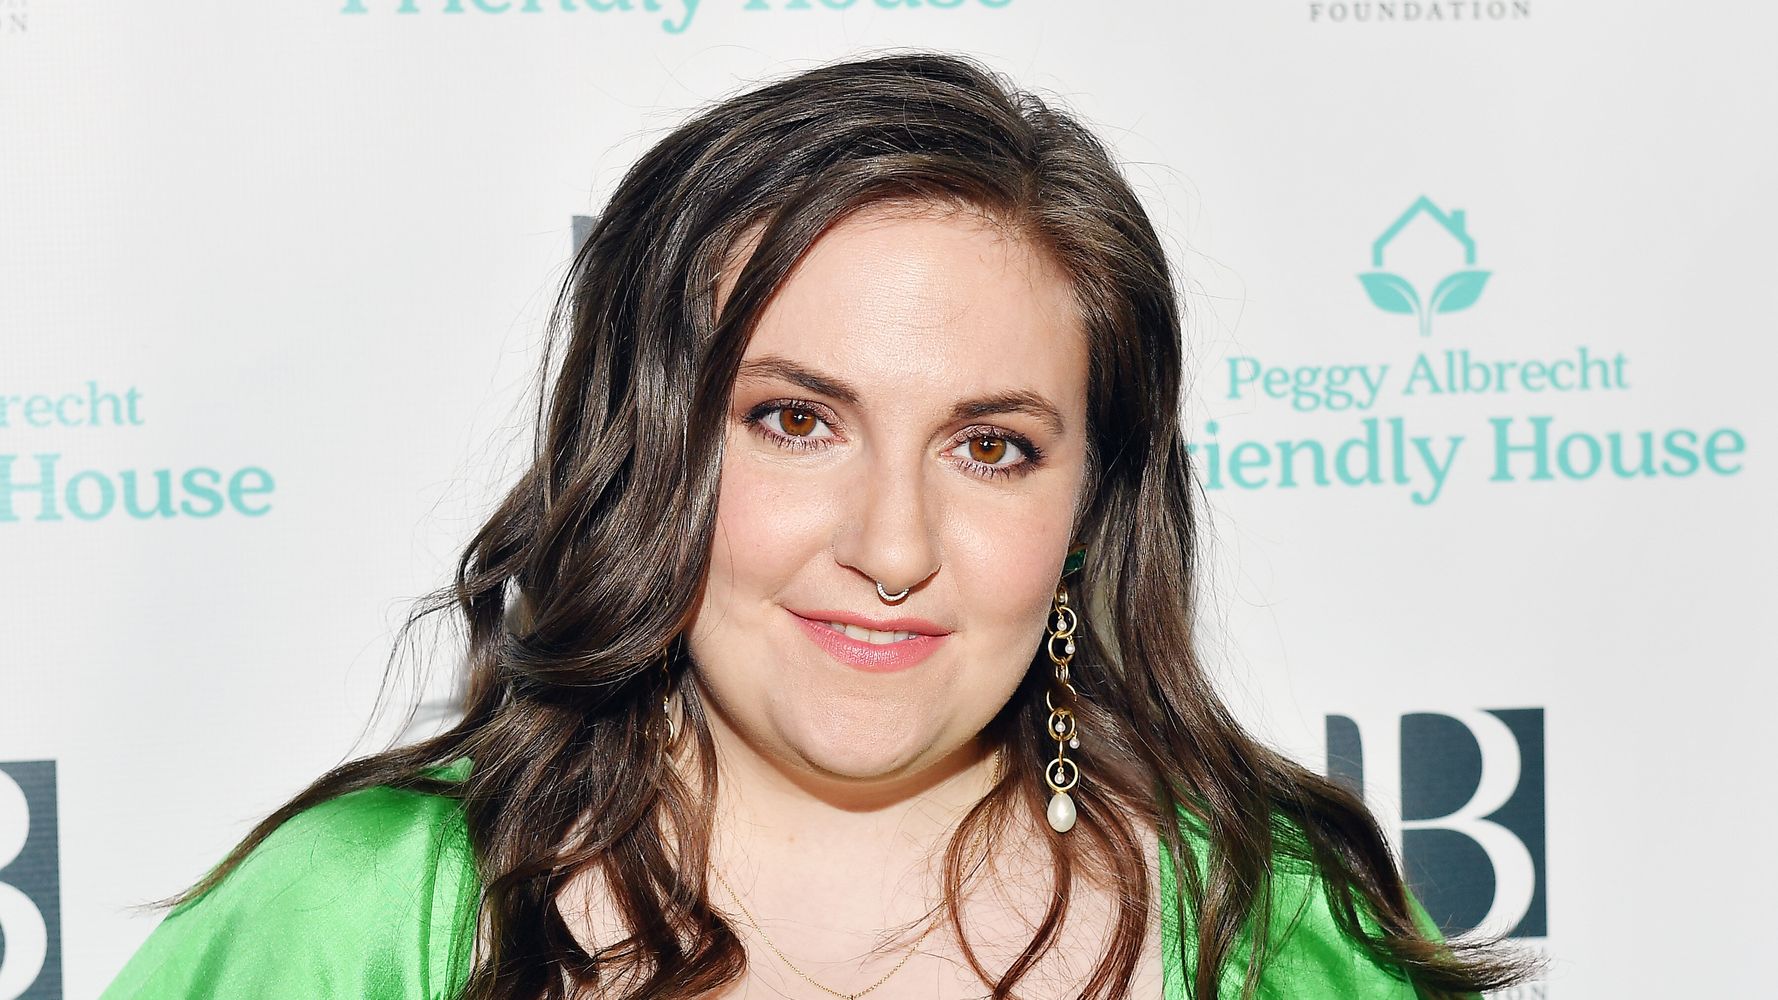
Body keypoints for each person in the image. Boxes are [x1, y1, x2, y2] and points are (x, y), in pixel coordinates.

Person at [100, 51, 1535, 1000]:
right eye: (796, 420)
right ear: (647, 446)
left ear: (1091, 507)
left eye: (991, 446)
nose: (892, 546)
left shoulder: (1273, 932)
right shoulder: (359, 920)